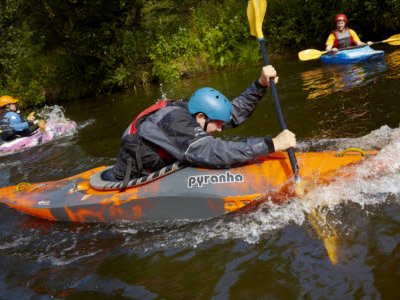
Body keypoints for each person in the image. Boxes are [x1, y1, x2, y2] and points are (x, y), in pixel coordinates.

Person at [103, 65, 297, 182]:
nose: (222, 128)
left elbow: (233, 113)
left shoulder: (194, 109)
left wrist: (260, 84)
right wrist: (272, 144)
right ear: (201, 118)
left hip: (162, 159)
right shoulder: (177, 124)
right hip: (129, 179)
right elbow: (215, 152)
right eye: (218, 124)